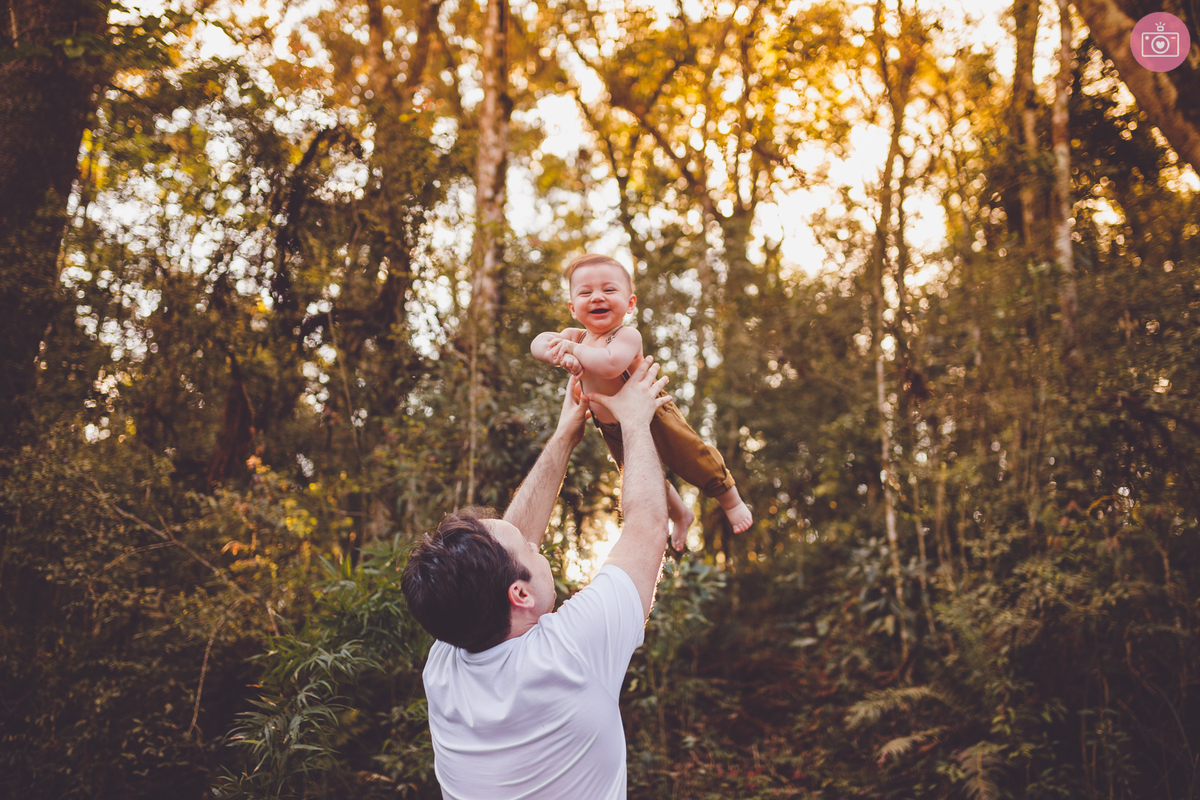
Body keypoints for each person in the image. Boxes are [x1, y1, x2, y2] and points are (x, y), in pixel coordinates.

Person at [401, 359, 674, 800]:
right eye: (530, 548)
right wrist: (637, 421)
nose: (536, 543)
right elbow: (645, 528)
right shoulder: (570, 651)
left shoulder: (446, 658)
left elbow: (499, 563)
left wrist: (566, 433)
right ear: (521, 594)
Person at [531, 253, 752, 551]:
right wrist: (559, 353)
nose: (597, 297)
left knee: (690, 455)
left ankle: (730, 499)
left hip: (652, 413)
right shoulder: (576, 336)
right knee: (641, 475)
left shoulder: (625, 336)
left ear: (630, 303)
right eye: (585, 292)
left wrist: (571, 351)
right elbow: (539, 344)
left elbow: (609, 364)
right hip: (612, 427)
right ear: (573, 308)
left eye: (609, 290)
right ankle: (681, 514)